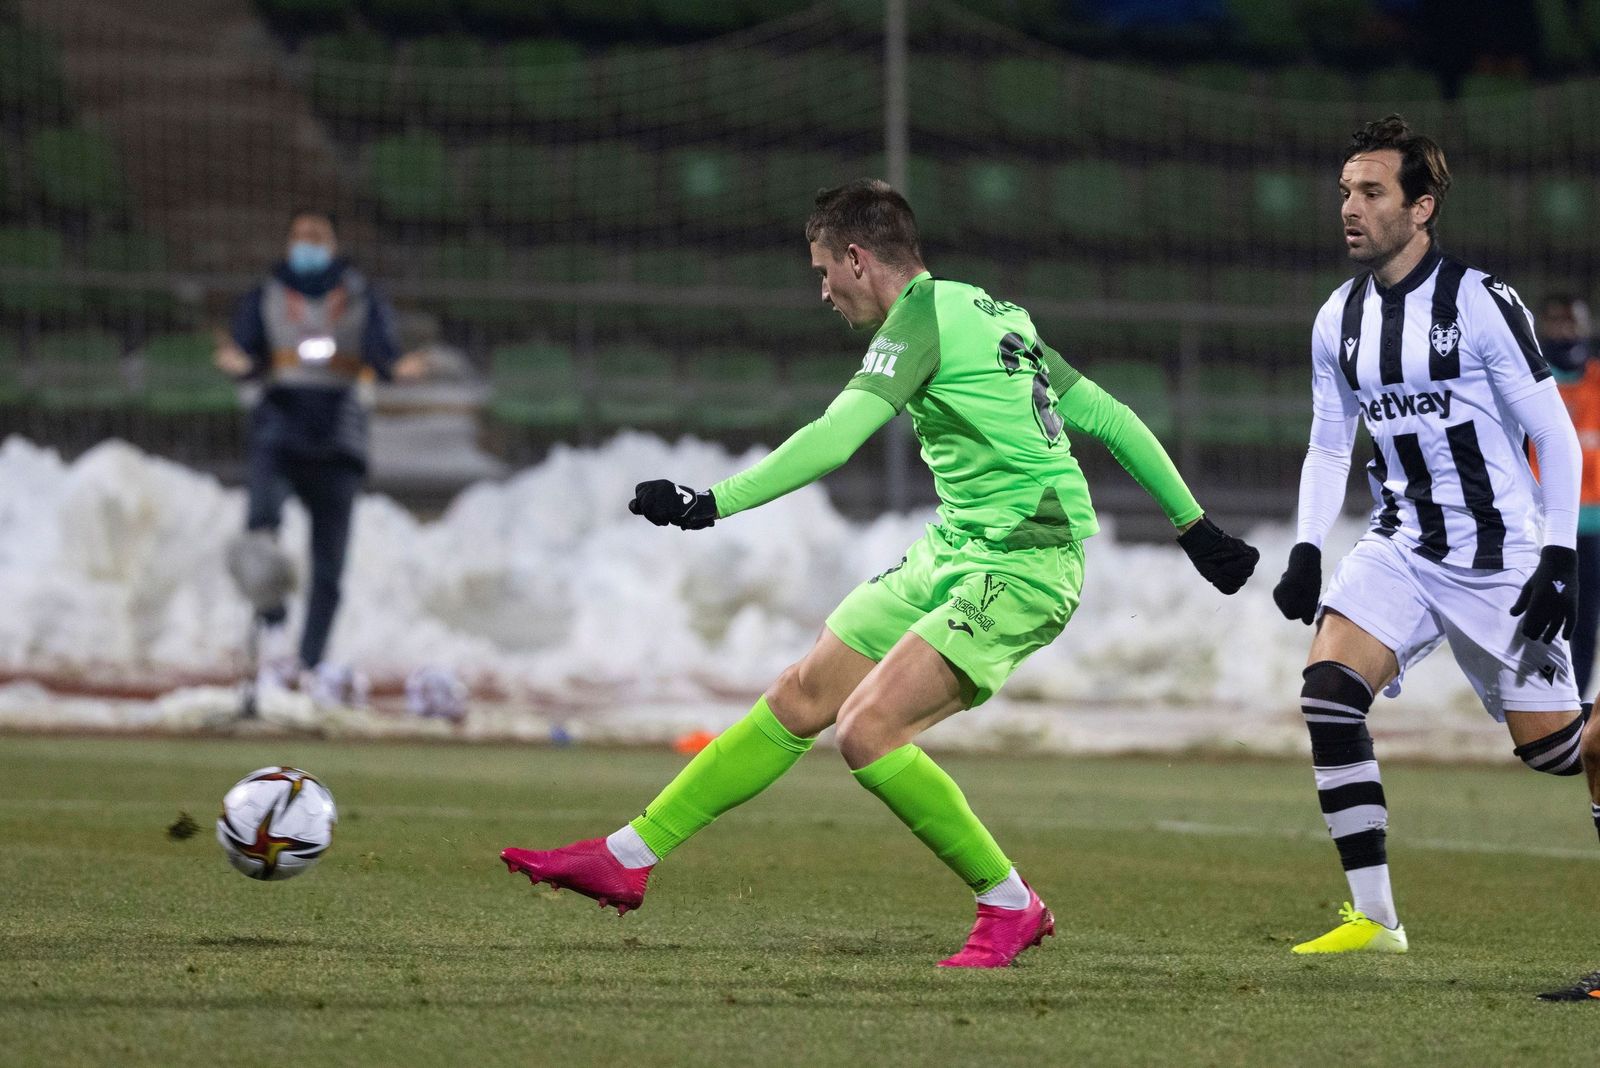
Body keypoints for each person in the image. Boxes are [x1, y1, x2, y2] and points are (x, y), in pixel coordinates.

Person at [501, 179, 1260, 968]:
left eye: (823, 268)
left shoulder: (917, 325)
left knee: (867, 730)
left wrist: (708, 501)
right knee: (803, 696)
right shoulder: (988, 310)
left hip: (1027, 561)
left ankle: (1011, 903)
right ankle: (630, 854)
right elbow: (1104, 412)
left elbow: (836, 438)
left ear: (858, 259)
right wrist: (1192, 524)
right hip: (955, 549)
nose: (822, 289)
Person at [1270, 117, 1600, 999]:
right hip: (1403, 547)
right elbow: (1329, 442)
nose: (1350, 207)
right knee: (1329, 694)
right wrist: (1306, 546)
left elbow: (1553, 435)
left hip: (1500, 562)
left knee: (1561, 753)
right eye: (1345, 189)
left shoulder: (1482, 302)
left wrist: (1559, 557)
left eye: (1371, 191)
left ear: (1420, 207)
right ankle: (1375, 921)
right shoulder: (1337, 317)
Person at [214, 209, 424, 703]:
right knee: (260, 529)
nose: (308, 243)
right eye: (300, 235)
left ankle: (308, 664)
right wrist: (237, 363)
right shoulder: (265, 294)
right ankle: (270, 615)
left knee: (329, 565)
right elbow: (244, 350)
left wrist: (398, 368)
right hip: (280, 429)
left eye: (318, 235)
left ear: (333, 242)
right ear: (288, 243)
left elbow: (382, 352)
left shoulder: (360, 296)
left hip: (337, 437)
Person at [1537, 295, 1600, 698]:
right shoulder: (1531, 381)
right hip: (1540, 522)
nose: (1565, 331)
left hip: (1593, 524)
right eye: (1557, 322)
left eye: (1572, 322)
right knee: (1541, 613)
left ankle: (1575, 705)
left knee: (1585, 619)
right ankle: (1541, 706)